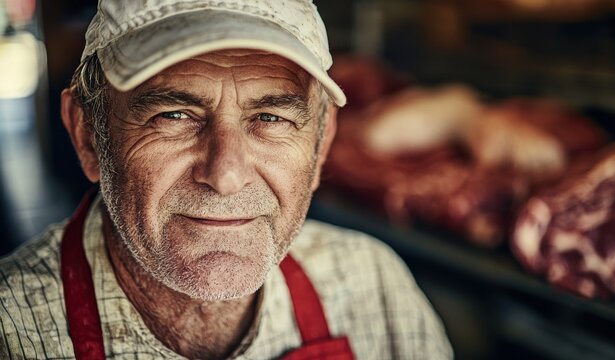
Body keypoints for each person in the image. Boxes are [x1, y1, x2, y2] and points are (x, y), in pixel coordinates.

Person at [0, 0, 452, 359]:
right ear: (87, 135)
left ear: (320, 144)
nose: (227, 175)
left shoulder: (374, 288)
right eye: (173, 115)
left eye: (271, 117)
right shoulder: (11, 331)